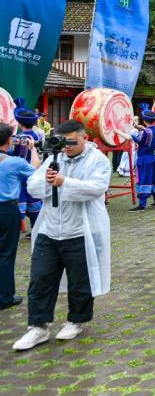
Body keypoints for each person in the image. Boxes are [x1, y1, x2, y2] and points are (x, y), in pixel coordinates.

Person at [13, 120, 111, 350]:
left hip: (80, 230)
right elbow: (33, 186)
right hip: (49, 229)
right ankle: (38, 327)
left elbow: (96, 188)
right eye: (62, 142)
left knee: (80, 280)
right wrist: (49, 182)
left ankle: (76, 320)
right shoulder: (53, 158)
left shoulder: (98, 161)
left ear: (85, 138)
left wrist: (64, 182)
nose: (66, 147)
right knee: (40, 278)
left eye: (71, 142)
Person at [0, 124, 39, 310]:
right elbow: (36, 173)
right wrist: (32, 150)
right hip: (6, 211)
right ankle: (5, 296)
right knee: (6, 254)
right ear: (9, 140)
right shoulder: (14, 163)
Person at [119, 103, 155, 212]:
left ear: (144, 120)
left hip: (144, 159)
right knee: (154, 179)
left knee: (143, 179)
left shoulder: (146, 132)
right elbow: (149, 132)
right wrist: (142, 128)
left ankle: (142, 205)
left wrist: (132, 130)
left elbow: (137, 138)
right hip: (153, 157)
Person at [13, 100, 45, 229]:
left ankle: (15, 228)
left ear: (20, 124)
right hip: (35, 171)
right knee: (34, 202)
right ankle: (35, 229)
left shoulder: (18, 139)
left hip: (21, 174)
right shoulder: (37, 136)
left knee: (20, 202)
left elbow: (13, 155)